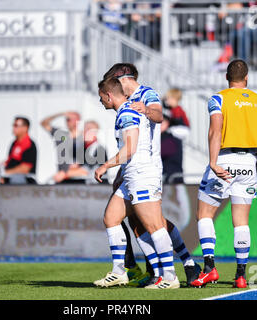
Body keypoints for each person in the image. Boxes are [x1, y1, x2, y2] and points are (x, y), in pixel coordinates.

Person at [191, 60, 257, 289]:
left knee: (204, 215)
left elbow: (215, 130)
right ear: (247, 78)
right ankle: (241, 275)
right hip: (248, 164)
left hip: (224, 160)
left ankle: (209, 269)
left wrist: (213, 162)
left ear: (227, 77)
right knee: (241, 222)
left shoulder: (219, 98)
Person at [102, 63, 200, 288]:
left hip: (147, 168)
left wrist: (146, 109)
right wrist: (120, 170)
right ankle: (159, 271)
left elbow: (158, 115)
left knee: (154, 222)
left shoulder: (147, 93)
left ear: (123, 79)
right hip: (132, 168)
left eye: (115, 82)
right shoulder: (125, 103)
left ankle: (183, 264)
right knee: (135, 222)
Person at [93, 77, 179, 289]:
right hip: (132, 176)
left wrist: (105, 166)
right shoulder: (126, 112)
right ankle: (119, 271)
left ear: (109, 95)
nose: (101, 101)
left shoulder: (126, 113)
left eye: (101, 97)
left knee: (154, 226)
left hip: (141, 174)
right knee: (111, 218)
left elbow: (130, 149)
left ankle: (170, 276)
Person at [40, 111, 83, 183]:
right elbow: (44, 123)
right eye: (66, 119)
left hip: (78, 177)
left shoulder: (84, 137)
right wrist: (60, 114)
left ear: (77, 120)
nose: (67, 122)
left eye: (69, 119)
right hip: (61, 177)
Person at [1, 117, 37, 184]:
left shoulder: (29, 144)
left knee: (16, 179)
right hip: (10, 177)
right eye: (13, 125)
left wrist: (7, 173)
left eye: (16, 126)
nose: (14, 128)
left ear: (25, 128)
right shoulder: (14, 143)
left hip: (24, 180)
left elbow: (25, 168)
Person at [161, 108, 184, 184]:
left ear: (168, 123)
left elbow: (159, 152)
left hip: (173, 181)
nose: (160, 124)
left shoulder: (170, 139)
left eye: (163, 121)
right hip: (165, 181)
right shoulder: (158, 137)